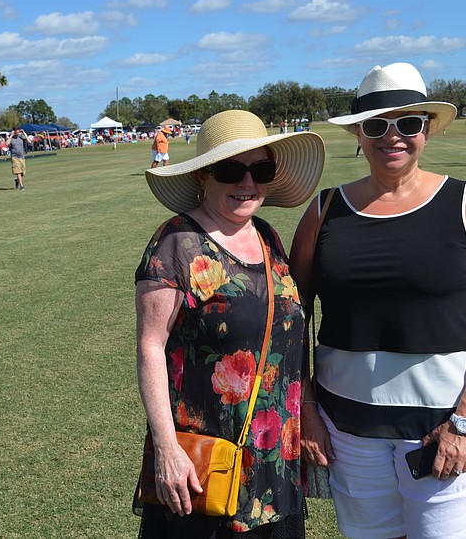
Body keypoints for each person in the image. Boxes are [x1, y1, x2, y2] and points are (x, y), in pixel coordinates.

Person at [290, 62, 466, 539]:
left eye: (408, 123)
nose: (391, 136)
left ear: (427, 129)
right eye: (376, 125)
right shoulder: (324, 209)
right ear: (358, 132)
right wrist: (307, 405)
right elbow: (293, 318)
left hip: (442, 426)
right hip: (346, 429)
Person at [134, 109, 325, 537]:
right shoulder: (176, 243)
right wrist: (166, 448)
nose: (247, 183)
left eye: (260, 169)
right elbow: (150, 347)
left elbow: (287, 342)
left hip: (276, 461)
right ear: (203, 176)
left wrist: (308, 411)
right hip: (204, 468)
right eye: (230, 169)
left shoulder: (269, 238)